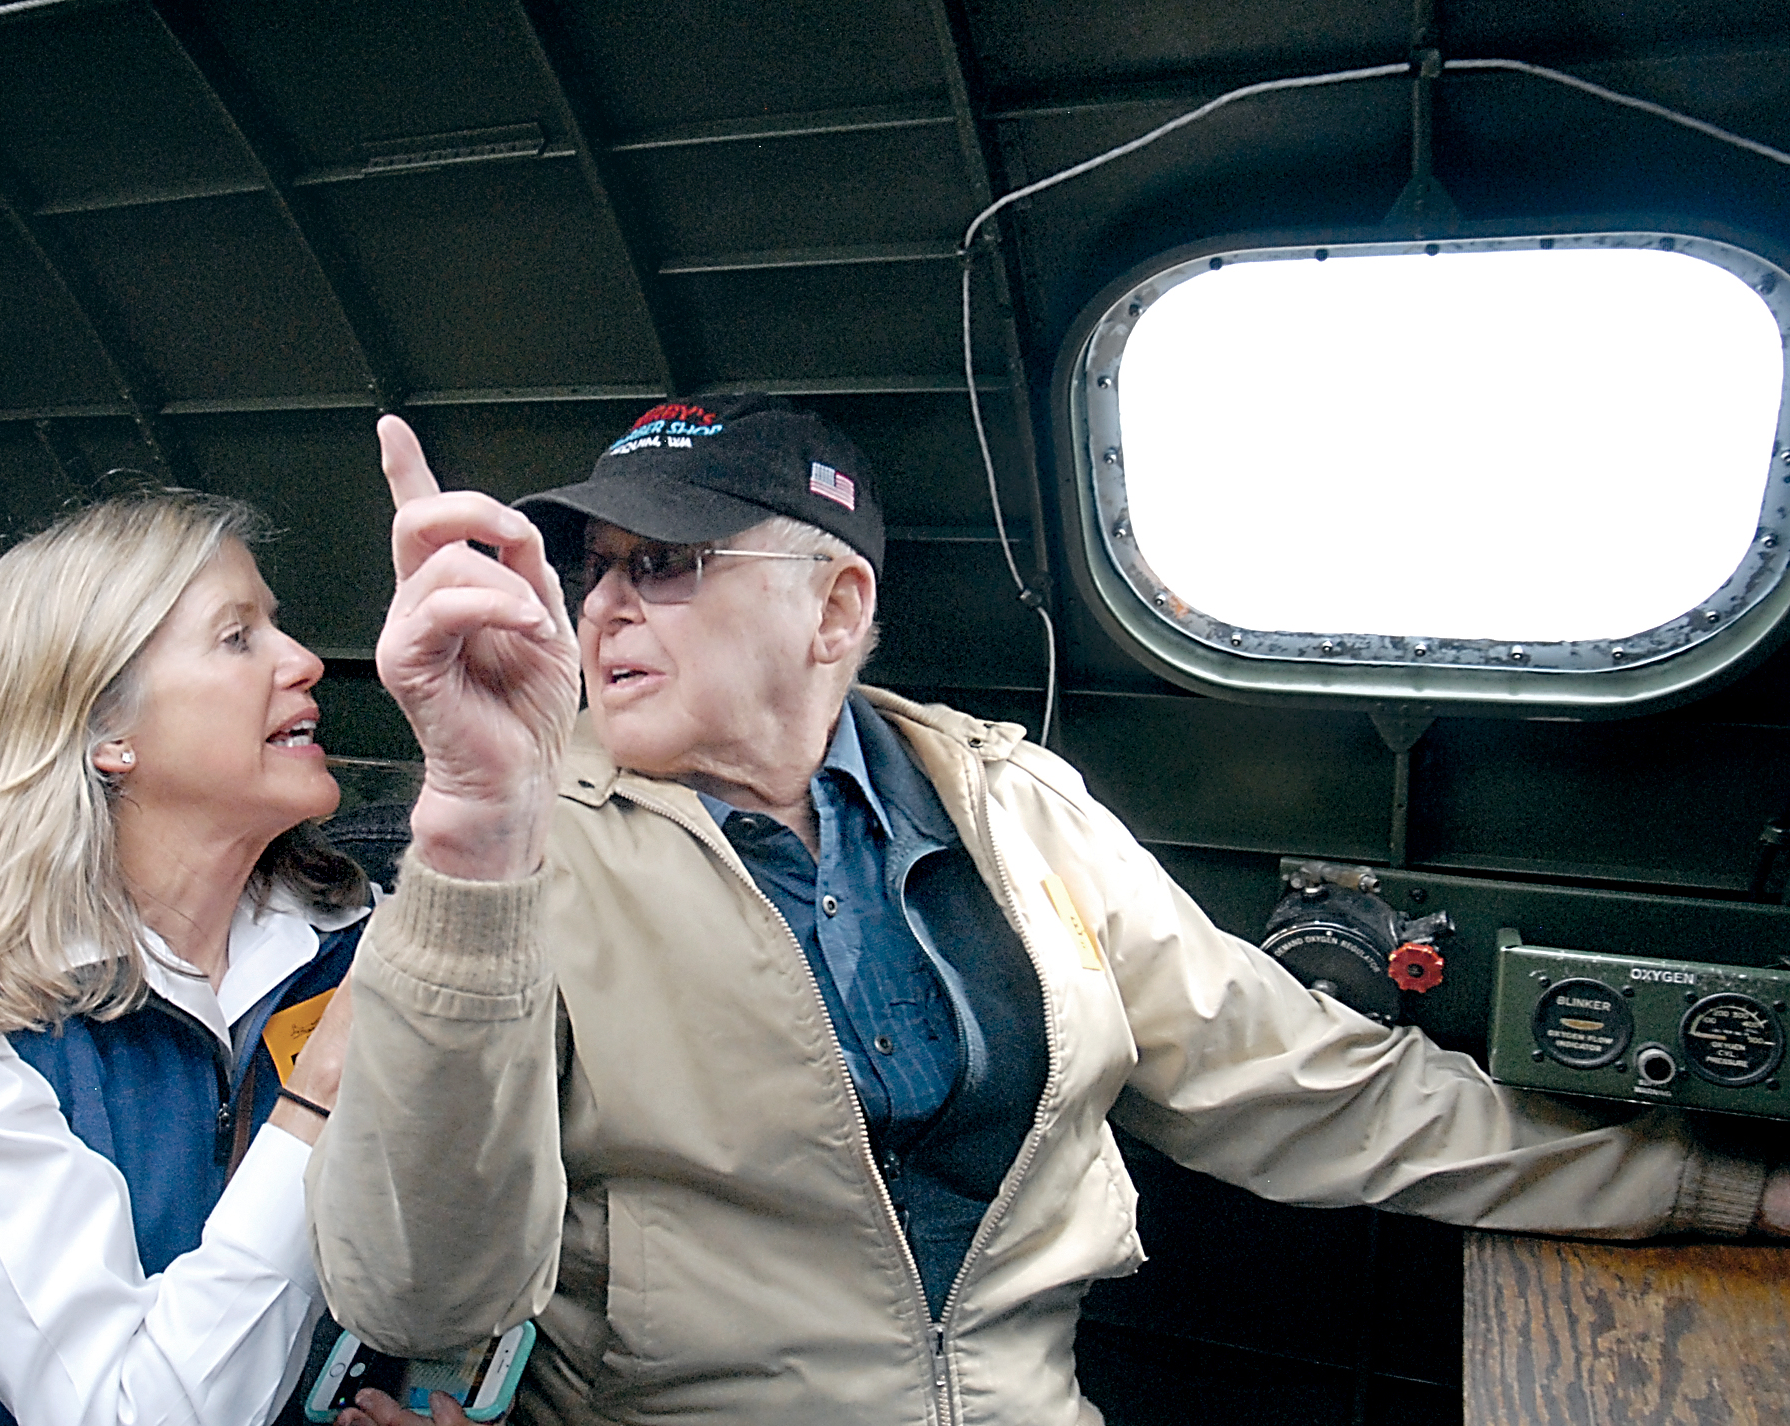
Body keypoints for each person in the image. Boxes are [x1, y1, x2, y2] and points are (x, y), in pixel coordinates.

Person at [308, 395, 1790, 1425]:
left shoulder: (1010, 808)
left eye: (669, 564)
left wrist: (1723, 1192)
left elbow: (1313, 1086)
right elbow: (418, 1291)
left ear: (835, 608)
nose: (603, 606)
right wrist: (474, 831)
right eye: (596, 571)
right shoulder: (509, 858)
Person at [0, 492, 365, 1426]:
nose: (303, 660)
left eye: (277, 625)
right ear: (107, 732)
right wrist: (318, 1103)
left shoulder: (349, 942)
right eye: (237, 638)